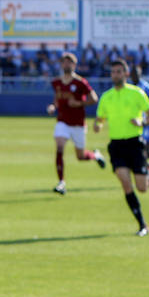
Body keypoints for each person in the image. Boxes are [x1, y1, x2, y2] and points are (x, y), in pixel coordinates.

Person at [94, 59, 149, 237]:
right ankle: (142, 224)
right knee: (124, 182)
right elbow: (100, 118)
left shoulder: (137, 93)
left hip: (134, 143)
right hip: (116, 145)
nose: (116, 75)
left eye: (119, 72)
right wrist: (97, 125)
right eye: (113, 72)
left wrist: (143, 121)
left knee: (142, 188)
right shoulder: (106, 96)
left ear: (126, 74)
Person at [45, 51, 105, 195]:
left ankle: (95, 155)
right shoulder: (57, 82)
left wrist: (79, 103)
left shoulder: (80, 82)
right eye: (64, 62)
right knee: (59, 148)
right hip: (63, 122)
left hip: (78, 123)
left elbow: (94, 98)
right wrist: (53, 107)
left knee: (81, 156)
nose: (66, 65)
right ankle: (61, 182)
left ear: (74, 65)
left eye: (69, 62)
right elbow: (57, 99)